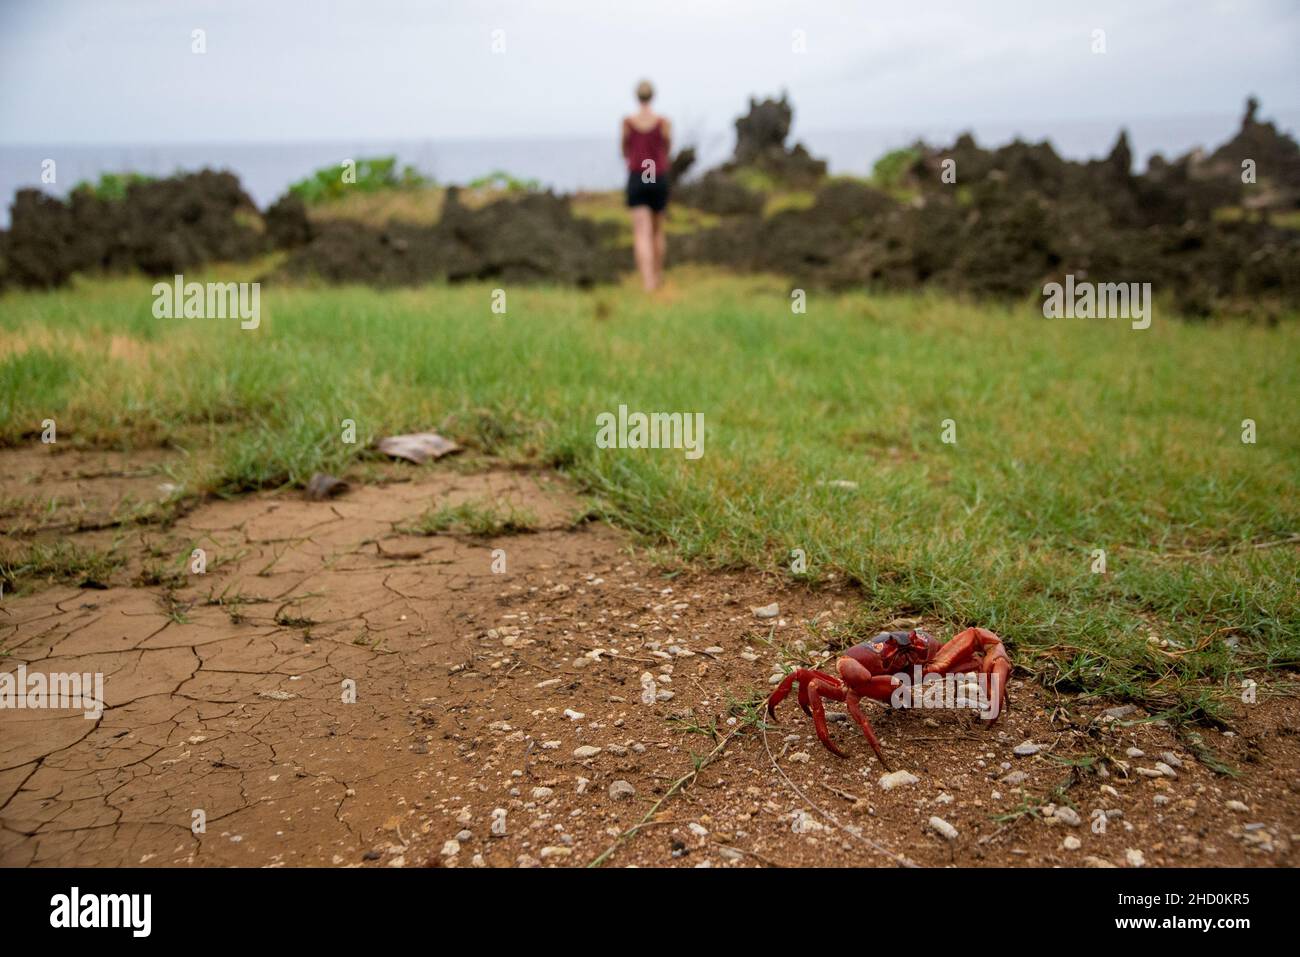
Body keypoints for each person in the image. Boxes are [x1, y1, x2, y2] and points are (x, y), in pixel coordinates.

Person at [621, 80, 671, 291]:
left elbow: (624, 149)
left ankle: (648, 283)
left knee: (642, 231)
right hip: (657, 177)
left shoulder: (628, 122)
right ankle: (657, 276)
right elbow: (667, 148)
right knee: (657, 230)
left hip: (638, 176)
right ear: (653, 96)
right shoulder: (663, 122)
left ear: (637, 96)